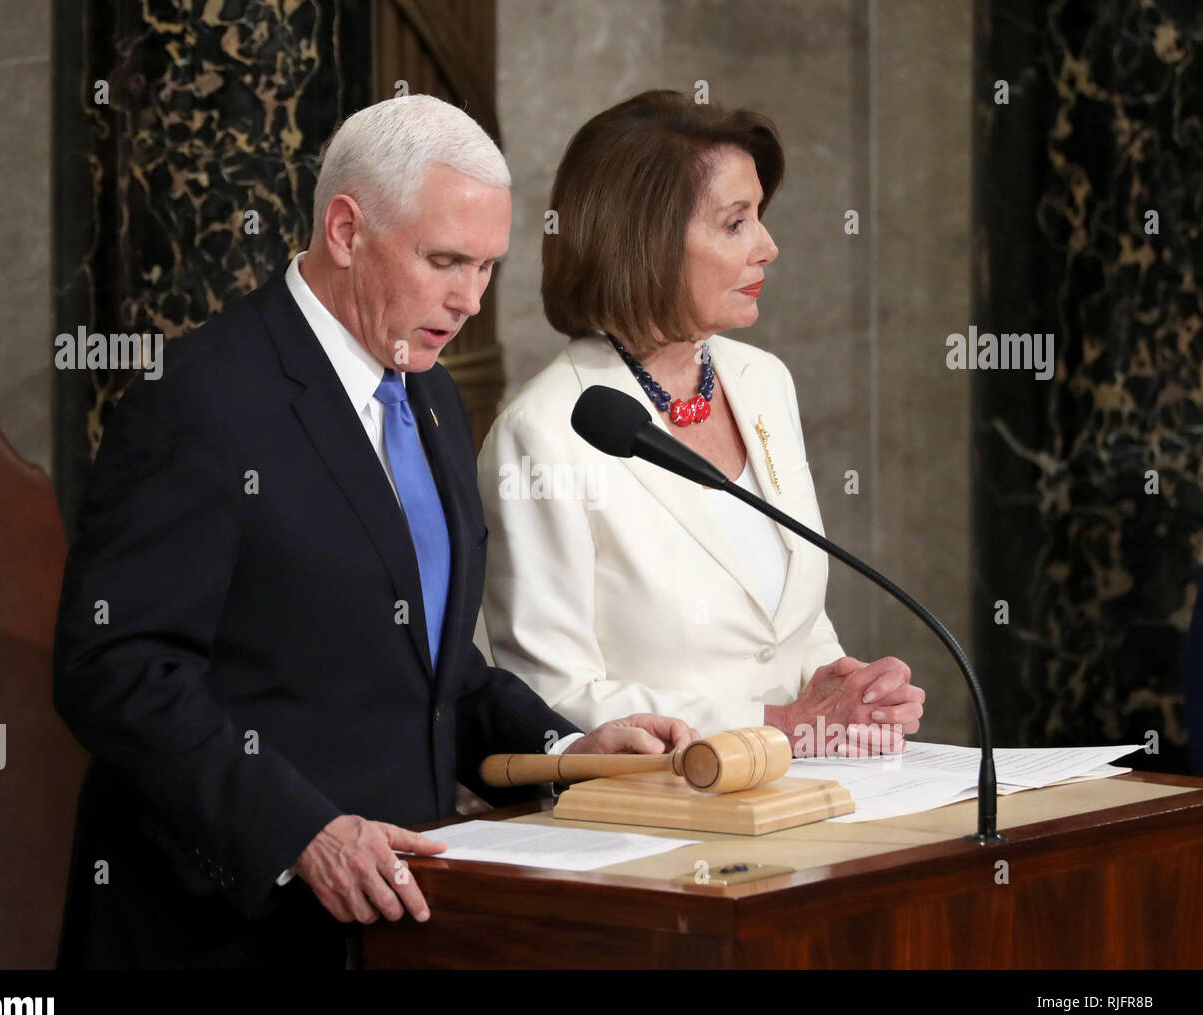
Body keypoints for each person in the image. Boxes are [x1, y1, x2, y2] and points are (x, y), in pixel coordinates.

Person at [52, 94, 695, 970]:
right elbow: (116, 667)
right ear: (347, 231)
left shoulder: (429, 391)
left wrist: (565, 750)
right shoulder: (201, 401)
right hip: (227, 936)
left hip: (397, 921)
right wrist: (299, 831)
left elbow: (428, 666)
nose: (470, 300)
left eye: (488, 268)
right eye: (445, 261)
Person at [477, 90, 924, 757]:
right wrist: (776, 723)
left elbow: (784, 625)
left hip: (799, 791)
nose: (769, 246)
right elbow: (549, 690)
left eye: (760, 218)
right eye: (735, 222)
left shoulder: (762, 381)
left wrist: (840, 685)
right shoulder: (542, 434)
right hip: (655, 817)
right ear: (645, 242)